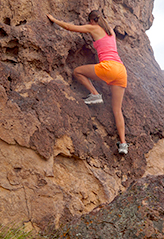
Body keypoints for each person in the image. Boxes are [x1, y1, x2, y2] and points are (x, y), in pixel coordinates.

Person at [46, 9, 128, 155]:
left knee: (77, 71)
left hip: (108, 67)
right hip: (121, 71)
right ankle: (123, 144)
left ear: (91, 20)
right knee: (117, 110)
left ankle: (95, 94)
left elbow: (71, 28)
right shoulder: (110, 31)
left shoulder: (93, 27)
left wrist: (54, 20)